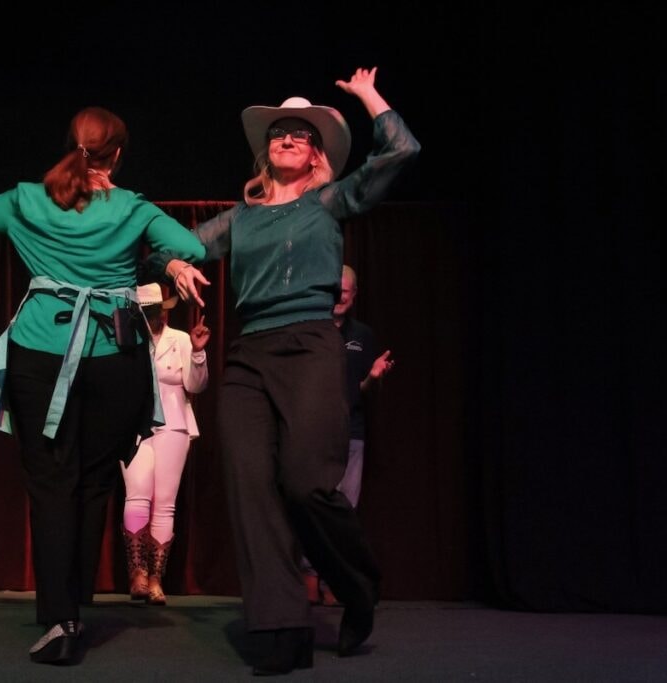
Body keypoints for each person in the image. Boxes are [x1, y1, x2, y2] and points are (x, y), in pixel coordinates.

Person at [151, 67, 420, 675]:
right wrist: (172, 265)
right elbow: (169, 246)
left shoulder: (331, 201)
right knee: (250, 490)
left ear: (317, 153)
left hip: (308, 347)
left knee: (305, 482)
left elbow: (402, 149)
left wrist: (367, 94)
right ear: (265, 152)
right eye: (279, 132)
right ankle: (281, 627)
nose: (288, 137)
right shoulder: (240, 220)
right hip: (250, 355)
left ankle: (357, 587)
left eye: (301, 133)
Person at [0, 107, 205, 666]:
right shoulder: (132, 207)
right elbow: (191, 248)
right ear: (118, 155)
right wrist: (162, 262)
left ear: (73, 145)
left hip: (41, 357)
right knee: (95, 483)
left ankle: (61, 618)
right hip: (114, 362)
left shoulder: (27, 198)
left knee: (52, 482)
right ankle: (74, 601)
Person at [305, 264, 396, 606]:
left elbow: (363, 390)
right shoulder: (310, 330)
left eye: (346, 291)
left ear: (354, 295)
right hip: (313, 432)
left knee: (344, 510)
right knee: (313, 504)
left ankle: (334, 579)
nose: (340, 296)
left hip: (352, 433)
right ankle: (309, 575)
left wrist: (374, 376)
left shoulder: (364, 336)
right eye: (335, 289)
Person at [121, 282, 210, 606]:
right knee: (138, 494)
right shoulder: (127, 339)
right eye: (145, 312)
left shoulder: (181, 339)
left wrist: (198, 353)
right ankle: (137, 574)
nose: (151, 317)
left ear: (164, 311)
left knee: (165, 502)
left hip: (173, 423)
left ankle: (157, 577)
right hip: (134, 424)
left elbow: (195, 386)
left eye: (155, 311)